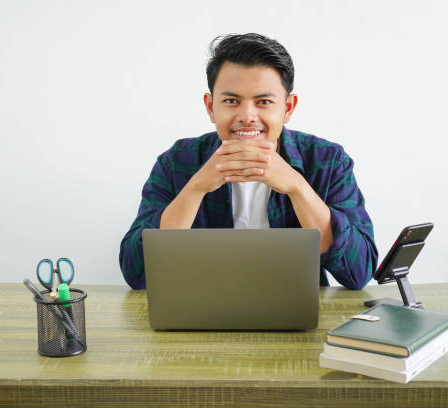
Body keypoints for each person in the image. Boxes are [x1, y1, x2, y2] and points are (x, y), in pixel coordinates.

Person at [119, 33, 377, 290]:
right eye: (231, 101)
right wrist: (195, 188)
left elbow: (359, 272)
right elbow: (136, 273)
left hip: (295, 314)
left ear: (288, 108)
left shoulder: (328, 161)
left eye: (264, 102)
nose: (247, 116)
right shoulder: (176, 162)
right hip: (201, 311)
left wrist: (298, 188)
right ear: (211, 107)